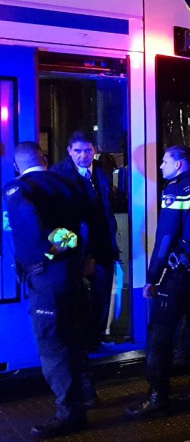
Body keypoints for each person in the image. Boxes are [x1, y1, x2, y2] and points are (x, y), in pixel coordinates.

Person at [3, 142, 93, 437]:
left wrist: (45, 254)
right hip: (71, 272)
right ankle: (86, 395)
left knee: (52, 344)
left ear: (17, 165)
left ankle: (70, 413)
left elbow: (29, 225)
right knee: (73, 336)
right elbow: (84, 225)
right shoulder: (67, 183)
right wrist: (66, 248)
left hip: (45, 279)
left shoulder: (17, 188)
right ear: (44, 157)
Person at [127, 146, 190, 417]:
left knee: (159, 335)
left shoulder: (175, 191)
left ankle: (158, 396)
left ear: (179, 164)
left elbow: (165, 238)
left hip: (178, 275)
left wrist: (152, 277)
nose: (160, 167)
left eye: (165, 161)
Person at [52, 131, 120, 351]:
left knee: (101, 296)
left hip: (103, 245)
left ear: (95, 151)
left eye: (88, 150)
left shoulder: (102, 171)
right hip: (75, 248)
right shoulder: (58, 174)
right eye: (78, 151)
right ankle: (76, 341)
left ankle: (95, 339)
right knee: (75, 297)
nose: (83, 155)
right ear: (69, 151)